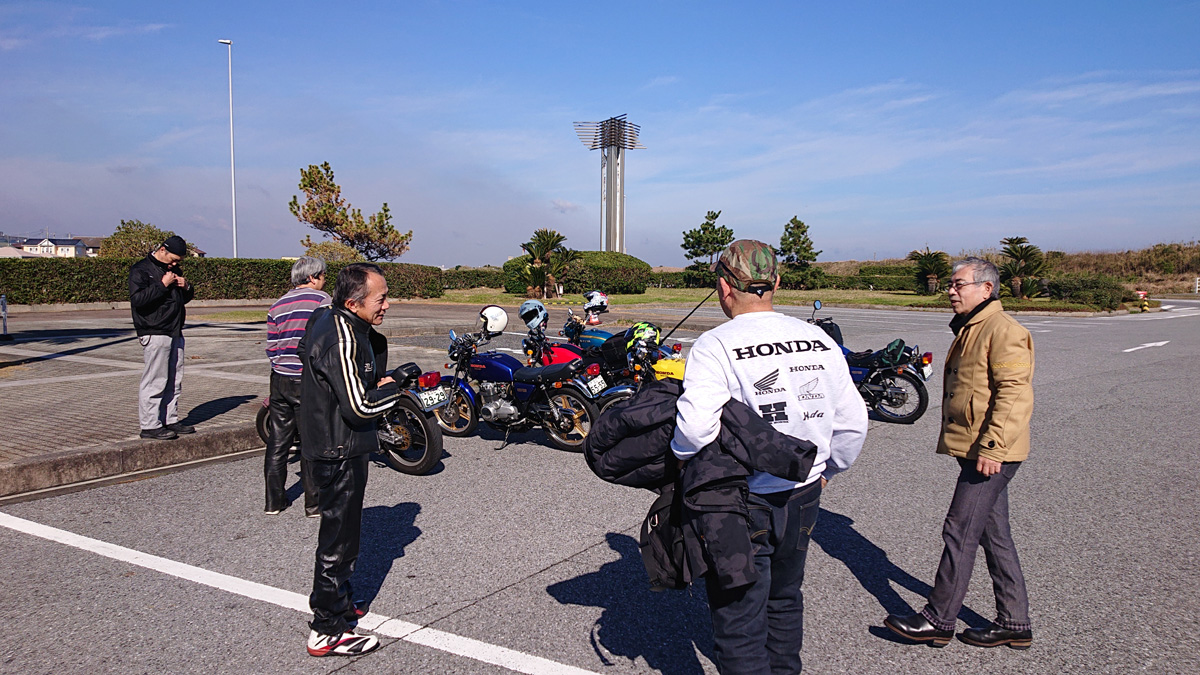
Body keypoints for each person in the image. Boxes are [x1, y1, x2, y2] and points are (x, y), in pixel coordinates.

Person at [671, 240, 868, 674]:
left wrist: (680, 458)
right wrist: (827, 471)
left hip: (741, 501)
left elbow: (694, 429)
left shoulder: (716, 344)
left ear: (724, 287)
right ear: (775, 283)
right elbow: (853, 423)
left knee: (739, 616)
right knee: (784, 598)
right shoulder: (818, 339)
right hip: (804, 493)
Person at [885, 256, 1035, 649]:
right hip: (978, 447)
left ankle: (938, 619)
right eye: (951, 285)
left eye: (959, 284)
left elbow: (1014, 395)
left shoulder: (1003, 330)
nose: (951, 291)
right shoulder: (973, 326)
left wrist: (993, 447)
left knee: (959, 528)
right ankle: (1015, 622)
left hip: (991, 451)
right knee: (993, 532)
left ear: (986, 289)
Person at [297, 262, 401, 657]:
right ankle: (327, 628)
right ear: (353, 303)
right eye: (381, 298)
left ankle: (338, 601)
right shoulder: (339, 334)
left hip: (341, 444)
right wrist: (395, 391)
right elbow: (359, 407)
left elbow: (341, 379)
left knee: (344, 535)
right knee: (337, 542)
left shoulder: (335, 321)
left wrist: (376, 383)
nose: (387, 305)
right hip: (337, 449)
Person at [263, 256, 330, 516]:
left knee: (278, 441)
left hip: (280, 378)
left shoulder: (277, 305)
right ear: (312, 277)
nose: (324, 281)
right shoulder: (322, 301)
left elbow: (272, 347)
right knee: (311, 442)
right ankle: (314, 504)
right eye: (322, 276)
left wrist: (280, 365)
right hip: (307, 379)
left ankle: (274, 501)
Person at [128, 235, 195, 440]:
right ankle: (150, 424)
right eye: (173, 259)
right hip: (154, 330)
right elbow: (138, 300)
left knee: (174, 379)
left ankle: (169, 419)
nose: (174, 264)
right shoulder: (141, 270)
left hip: (174, 329)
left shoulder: (174, 270)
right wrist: (162, 284)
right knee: (155, 379)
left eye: (178, 262)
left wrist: (186, 287)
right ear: (162, 250)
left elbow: (181, 299)